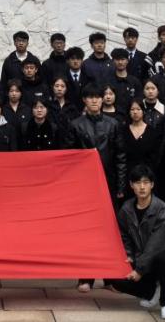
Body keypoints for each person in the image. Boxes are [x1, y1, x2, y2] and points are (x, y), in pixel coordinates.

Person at [65, 84, 127, 292]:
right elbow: (68, 157)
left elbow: (120, 156)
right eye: (90, 97)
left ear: (103, 100)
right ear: (84, 100)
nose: (94, 101)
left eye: (98, 97)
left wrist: (120, 186)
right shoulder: (75, 125)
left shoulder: (113, 124)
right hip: (84, 185)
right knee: (86, 231)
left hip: (108, 183)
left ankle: (110, 278)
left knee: (109, 231)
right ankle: (86, 277)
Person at [106, 164, 165, 320]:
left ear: (152, 185)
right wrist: (129, 255)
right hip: (142, 260)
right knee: (116, 280)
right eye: (137, 183)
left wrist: (139, 270)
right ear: (131, 185)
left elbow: (157, 245)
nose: (142, 187)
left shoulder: (163, 210)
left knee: (163, 259)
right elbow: (123, 235)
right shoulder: (126, 209)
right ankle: (151, 290)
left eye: (146, 182)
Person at [123, 98, 163, 176]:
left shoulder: (152, 131)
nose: (135, 112)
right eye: (132, 109)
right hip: (128, 173)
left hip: (148, 173)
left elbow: (156, 156)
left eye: (138, 109)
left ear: (143, 111)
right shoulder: (123, 130)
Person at [110, 48, 141, 114]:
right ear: (113, 61)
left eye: (122, 59)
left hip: (131, 116)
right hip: (112, 116)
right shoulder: (108, 81)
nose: (120, 62)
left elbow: (139, 100)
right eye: (117, 59)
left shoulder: (135, 82)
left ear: (127, 61)